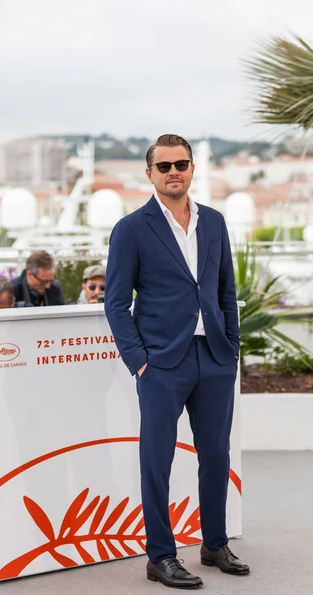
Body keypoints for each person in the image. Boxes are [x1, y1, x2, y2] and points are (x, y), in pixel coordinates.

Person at [105, 134, 249, 589]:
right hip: (162, 364)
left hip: (214, 357)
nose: (173, 172)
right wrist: (139, 362)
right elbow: (115, 303)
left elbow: (226, 290)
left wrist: (233, 344)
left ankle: (214, 544)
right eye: (163, 166)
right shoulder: (131, 229)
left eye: (181, 164)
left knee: (216, 455)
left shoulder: (214, 222)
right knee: (157, 460)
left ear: (192, 169)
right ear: (149, 174)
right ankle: (161, 556)